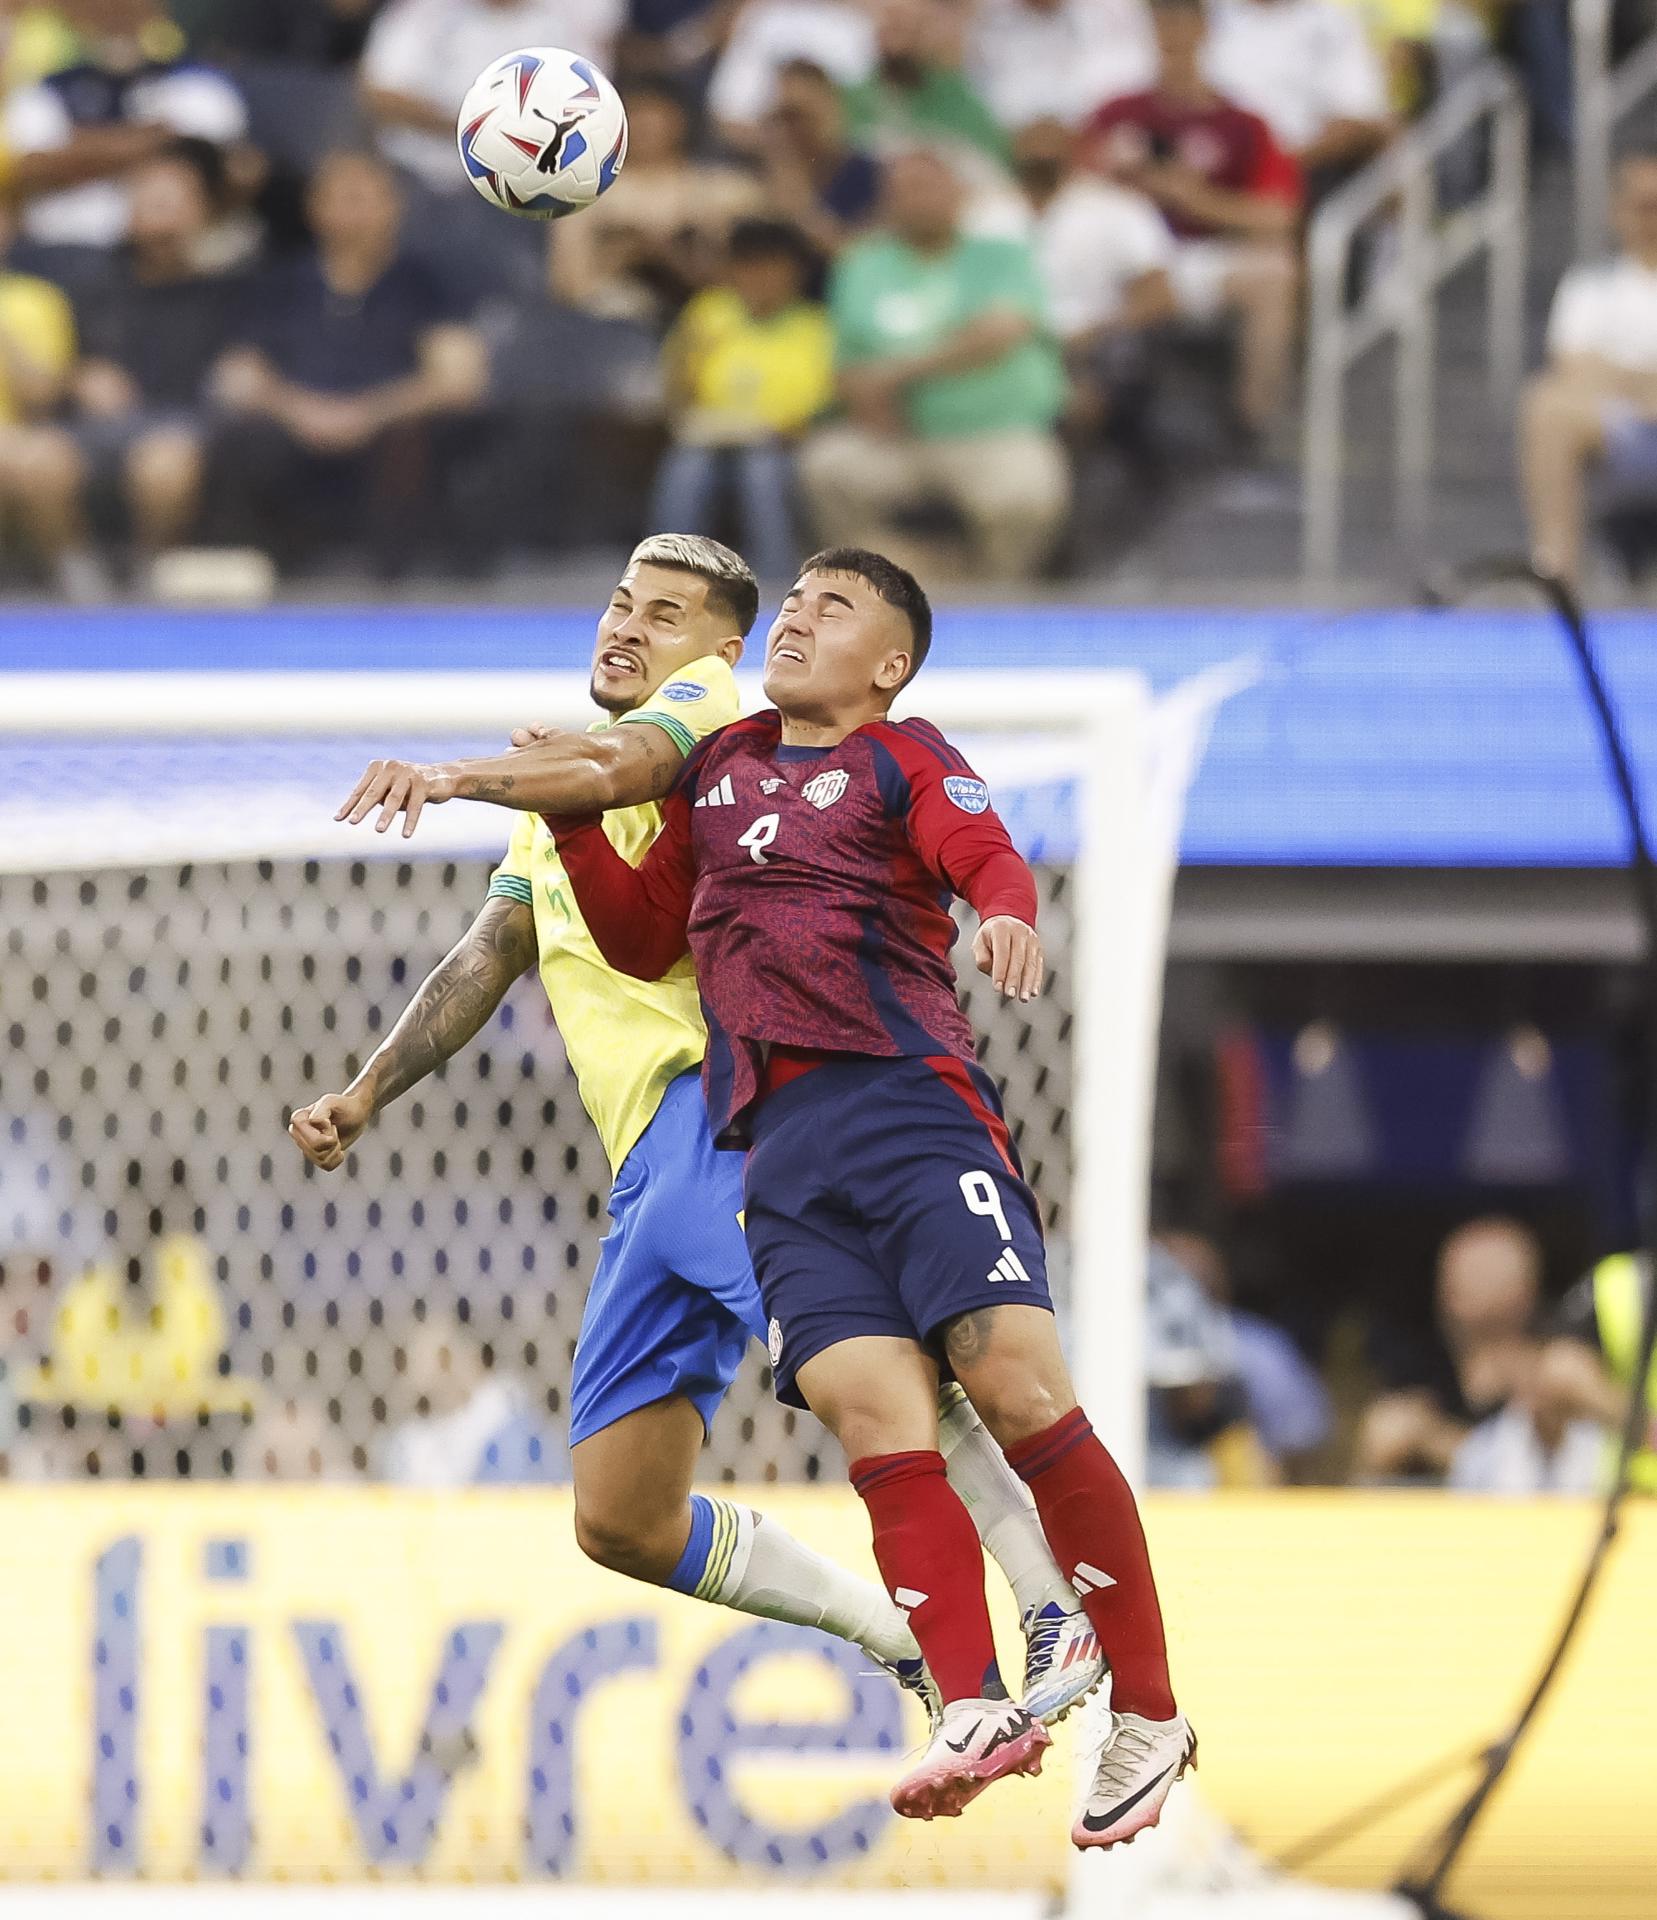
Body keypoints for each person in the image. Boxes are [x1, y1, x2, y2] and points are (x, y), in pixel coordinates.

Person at [292, 533, 1104, 1736]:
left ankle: (1049, 1600)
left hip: (724, 1114)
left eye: (663, 613)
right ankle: (890, 1637)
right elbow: (490, 952)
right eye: (619, 601)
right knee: (619, 1516)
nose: (627, 626)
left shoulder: (708, 718)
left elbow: (629, 759)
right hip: (642, 1173)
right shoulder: (555, 789)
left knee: (872, 1374)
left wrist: (455, 775)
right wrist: (366, 1091)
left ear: (719, 648)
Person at [540, 546, 1192, 1840]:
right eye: (793, 601)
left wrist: (1004, 911)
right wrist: (566, 814)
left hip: (903, 1103)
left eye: (829, 608)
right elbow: (640, 936)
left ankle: (1148, 1711)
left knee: (1010, 1381)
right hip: (772, 1141)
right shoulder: (718, 772)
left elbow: (981, 849)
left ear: (887, 664)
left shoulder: (902, 754)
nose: (798, 618)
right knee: (864, 1406)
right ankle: (969, 1704)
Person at [209, 148, 488, 574]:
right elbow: (236, 376)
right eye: (339, 198)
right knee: (244, 439)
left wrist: (367, 414)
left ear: (394, 206)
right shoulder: (278, 283)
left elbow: (457, 379)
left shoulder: (427, 283)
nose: (351, 212)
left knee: (414, 441)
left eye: (363, 197)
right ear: (312, 207)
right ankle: (261, 571)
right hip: (295, 426)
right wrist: (300, 410)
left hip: (387, 429)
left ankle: (401, 582)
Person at [801, 146, 1069, 581]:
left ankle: (997, 598)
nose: (916, 199)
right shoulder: (863, 263)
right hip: (897, 440)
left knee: (1025, 493)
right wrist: (864, 398)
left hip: (995, 433)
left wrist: (896, 374)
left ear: (959, 194)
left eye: (927, 187)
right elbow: (845, 361)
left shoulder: (1002, 256)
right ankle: (886, 592)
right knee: (828, 467)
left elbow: (1000, 331)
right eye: (902, 190)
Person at [0, 141, 241, 598]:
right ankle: (74, 569)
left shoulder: (226, 291)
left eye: (173, 204)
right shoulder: (86, 283)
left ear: (202, 213)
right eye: (149, 203)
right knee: (38, 459)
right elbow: (53, 379)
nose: (161, 219)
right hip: (92, 430)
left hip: (179, 425)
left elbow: (242, 369)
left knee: (163, 464)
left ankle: (147, 570)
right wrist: (79, 376)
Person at [1086, 0, 1302, 442]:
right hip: (1118, 263)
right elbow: (1072, 190)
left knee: (1275, 271)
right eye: (1164, 20)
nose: (1173, 33)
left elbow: (1279, 215)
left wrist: (1194, 199)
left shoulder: (1242, 123)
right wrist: (1128, 183)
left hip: (1195, 256)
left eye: (1184, 20)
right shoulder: (1117, 114)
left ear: (1204, 29)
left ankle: (1255, 423)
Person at [652, 219, 833, 581]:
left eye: (772, 269)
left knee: (760, 471)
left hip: (781, 444)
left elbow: (817, 409)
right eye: (750, 268)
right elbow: (675, 391)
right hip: (710, 438)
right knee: (687, 468)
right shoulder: (710, 312)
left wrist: (776, 430)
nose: (760, 279)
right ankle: (664, 572)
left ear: (795, 274)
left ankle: (777, 578)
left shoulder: (814, 326)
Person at [2, 0, 248, 256]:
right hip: (56, 256)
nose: (113, 13)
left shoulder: (197, 83)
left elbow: (224, 165)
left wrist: (82, 149)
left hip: (179, 257)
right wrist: (152, 140)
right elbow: (28, 167)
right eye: (100, 7)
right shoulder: (47, 91)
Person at [1522, 148, 1657, 591]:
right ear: (1619, 211)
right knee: (1547, 407)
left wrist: (1621, 375)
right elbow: (1574, 371)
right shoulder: (1592, 288)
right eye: (1644, 206)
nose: (1651, 219)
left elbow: (1599, 370)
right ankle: (1558, 580)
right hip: (1623, 433)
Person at [550, 78, 765, 327]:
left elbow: (761, 272)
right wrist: (624, 253)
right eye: (635, 114)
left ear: (680, 120)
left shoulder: (727, 189)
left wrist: (681, 254)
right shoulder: (583, 197)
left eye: (654, 114)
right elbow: (569, 287)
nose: (644, 126)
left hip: (711, 324)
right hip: (616, 327)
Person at [1009, 116, 1174, 439]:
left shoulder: (1118, 207)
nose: (1041, 153)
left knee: (1098, 376)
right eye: (1033, 143)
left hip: (1091, 342)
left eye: (1051, 141)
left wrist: (1100, 330)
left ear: (1072, 148)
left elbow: (1159, 294)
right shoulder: (983, 211)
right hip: (1003, 341)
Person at [359, 0, 622, 197]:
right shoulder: (424, 11)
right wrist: (478, 128)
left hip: (530, 188)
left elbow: (590, 107)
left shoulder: (568, 18)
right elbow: (380, 94)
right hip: (416, 179)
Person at [1355, 1216, 1541, 1483]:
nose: (1451, 1289)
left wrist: (1438, 1442)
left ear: (1525, 1289)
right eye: (1448, 1273)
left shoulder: (1549, 1379)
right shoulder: (1419, 1371)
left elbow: (1539, 1472)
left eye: (1480, 1272)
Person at [1202, 0, 1391, 190]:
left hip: (1301, 176)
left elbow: (1359, 117)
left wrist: (1275, 168)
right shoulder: (1203, 13)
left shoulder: (1331, 20)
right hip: (1207, 166)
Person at [757, 59, 884, 258]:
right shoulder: (756, 173)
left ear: (832, 106)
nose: (793, 129)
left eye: (801, 115)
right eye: (783, 117)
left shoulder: (872, 176)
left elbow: (860, 261)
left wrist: (801, 211)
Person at [969, 0, 1155, 135]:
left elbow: (1140, 86)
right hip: (1009, 152)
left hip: (1099, 148)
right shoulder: (978, 15)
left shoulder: (1118, 10)